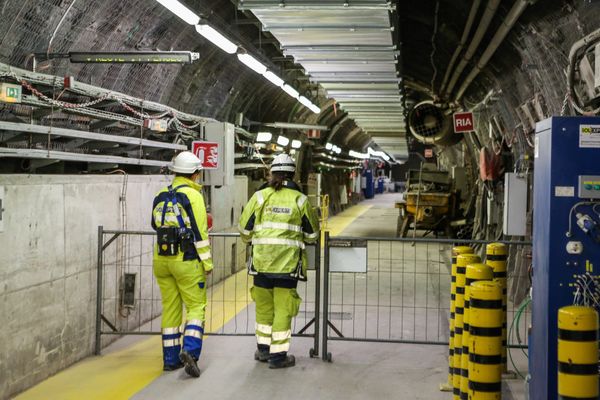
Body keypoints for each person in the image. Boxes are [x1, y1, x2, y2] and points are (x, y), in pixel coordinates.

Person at [238, 153, 320, 369]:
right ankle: (278, 356)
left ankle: (263, 351)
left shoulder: (259, 197)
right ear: (293, 174)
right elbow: (312, 235)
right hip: (288, 267)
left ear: (271, 172)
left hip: (261, 264)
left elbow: (244, 230)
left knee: (264, 309)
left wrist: (255, 240)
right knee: (283, 309)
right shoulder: (299, 199)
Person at [151, 151, 213, 378]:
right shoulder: (193, 196)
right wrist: (207, 263)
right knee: (196, 308)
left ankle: (170, 360)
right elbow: (199, 232)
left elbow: (154, 224)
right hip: (186, 261)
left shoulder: (160, 195)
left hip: (161, 260)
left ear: (174, 171)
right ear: (196, 174)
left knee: (170, 308)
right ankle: (191, 352)